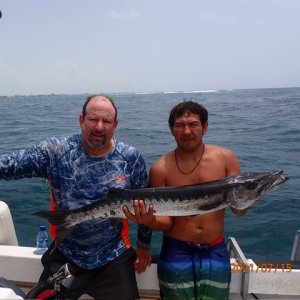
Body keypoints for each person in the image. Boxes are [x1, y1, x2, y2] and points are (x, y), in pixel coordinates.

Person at [0, 94, 152, 300]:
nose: (99, 127)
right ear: (81, 120)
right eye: (92, 119)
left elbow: (144, 205)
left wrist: (143, 245)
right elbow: (11, 165)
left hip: (113, 256)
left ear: (115, 125)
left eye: (106, 121)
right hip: (66, 254)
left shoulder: (131, 158)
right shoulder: (56, 151)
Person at [124, 100, 247, 300]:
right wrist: (150, 221)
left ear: (205, 127)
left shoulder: (226, 159)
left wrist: (248, 199)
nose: (187, 131)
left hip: (215, 248)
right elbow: (167, 222)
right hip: (176, 250)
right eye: (180, 125)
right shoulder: (160, 169)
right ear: (172, 130)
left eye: (193, 124)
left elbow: (238, 210)